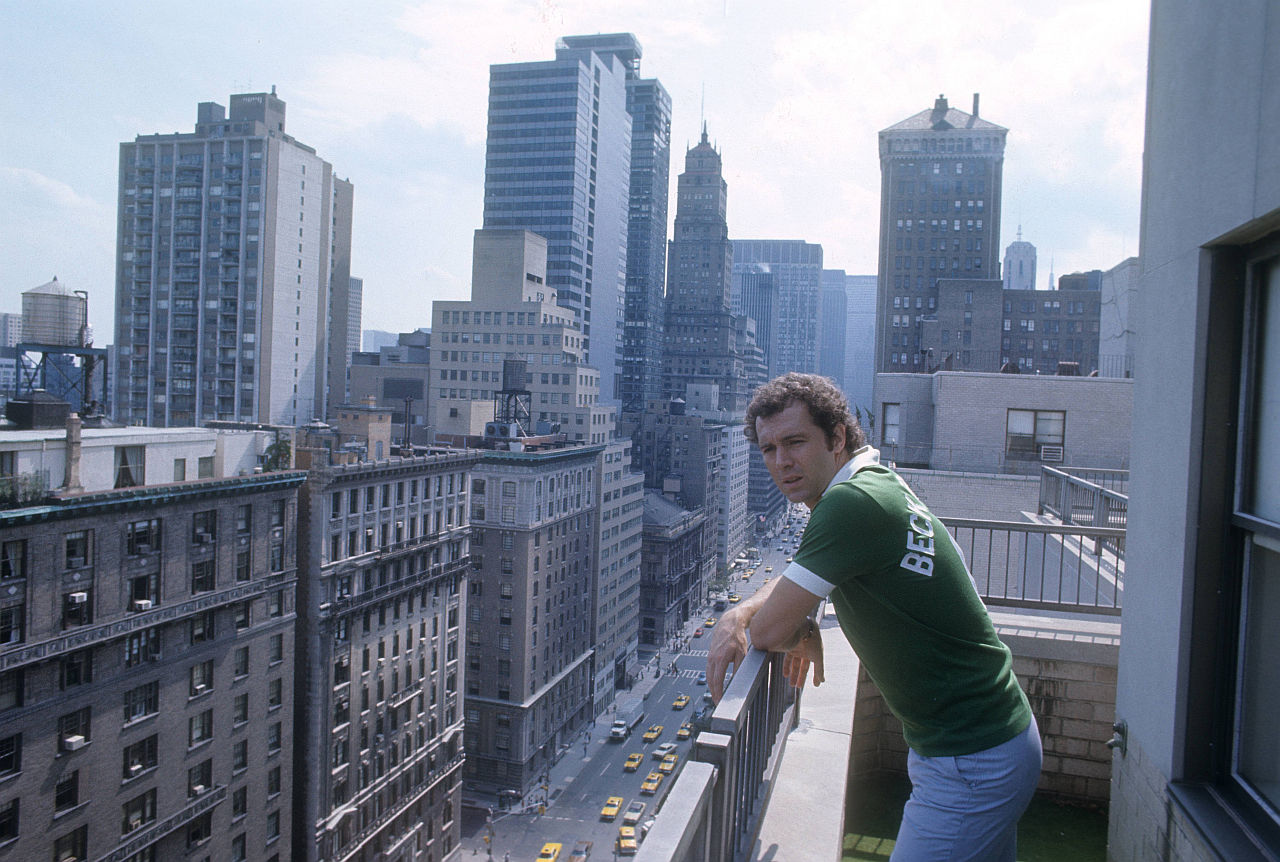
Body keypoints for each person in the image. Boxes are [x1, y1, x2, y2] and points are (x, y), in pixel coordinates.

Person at [707, 373, 1041, 862]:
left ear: (837, 438)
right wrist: (746, 608)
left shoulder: (850, 505)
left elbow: (768, 632)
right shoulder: (873, 483)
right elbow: (799, 577)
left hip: (971, 757)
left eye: (795, 442)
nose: (781, 462)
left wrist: (789, 627)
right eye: (769, 449)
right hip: (988, 738)